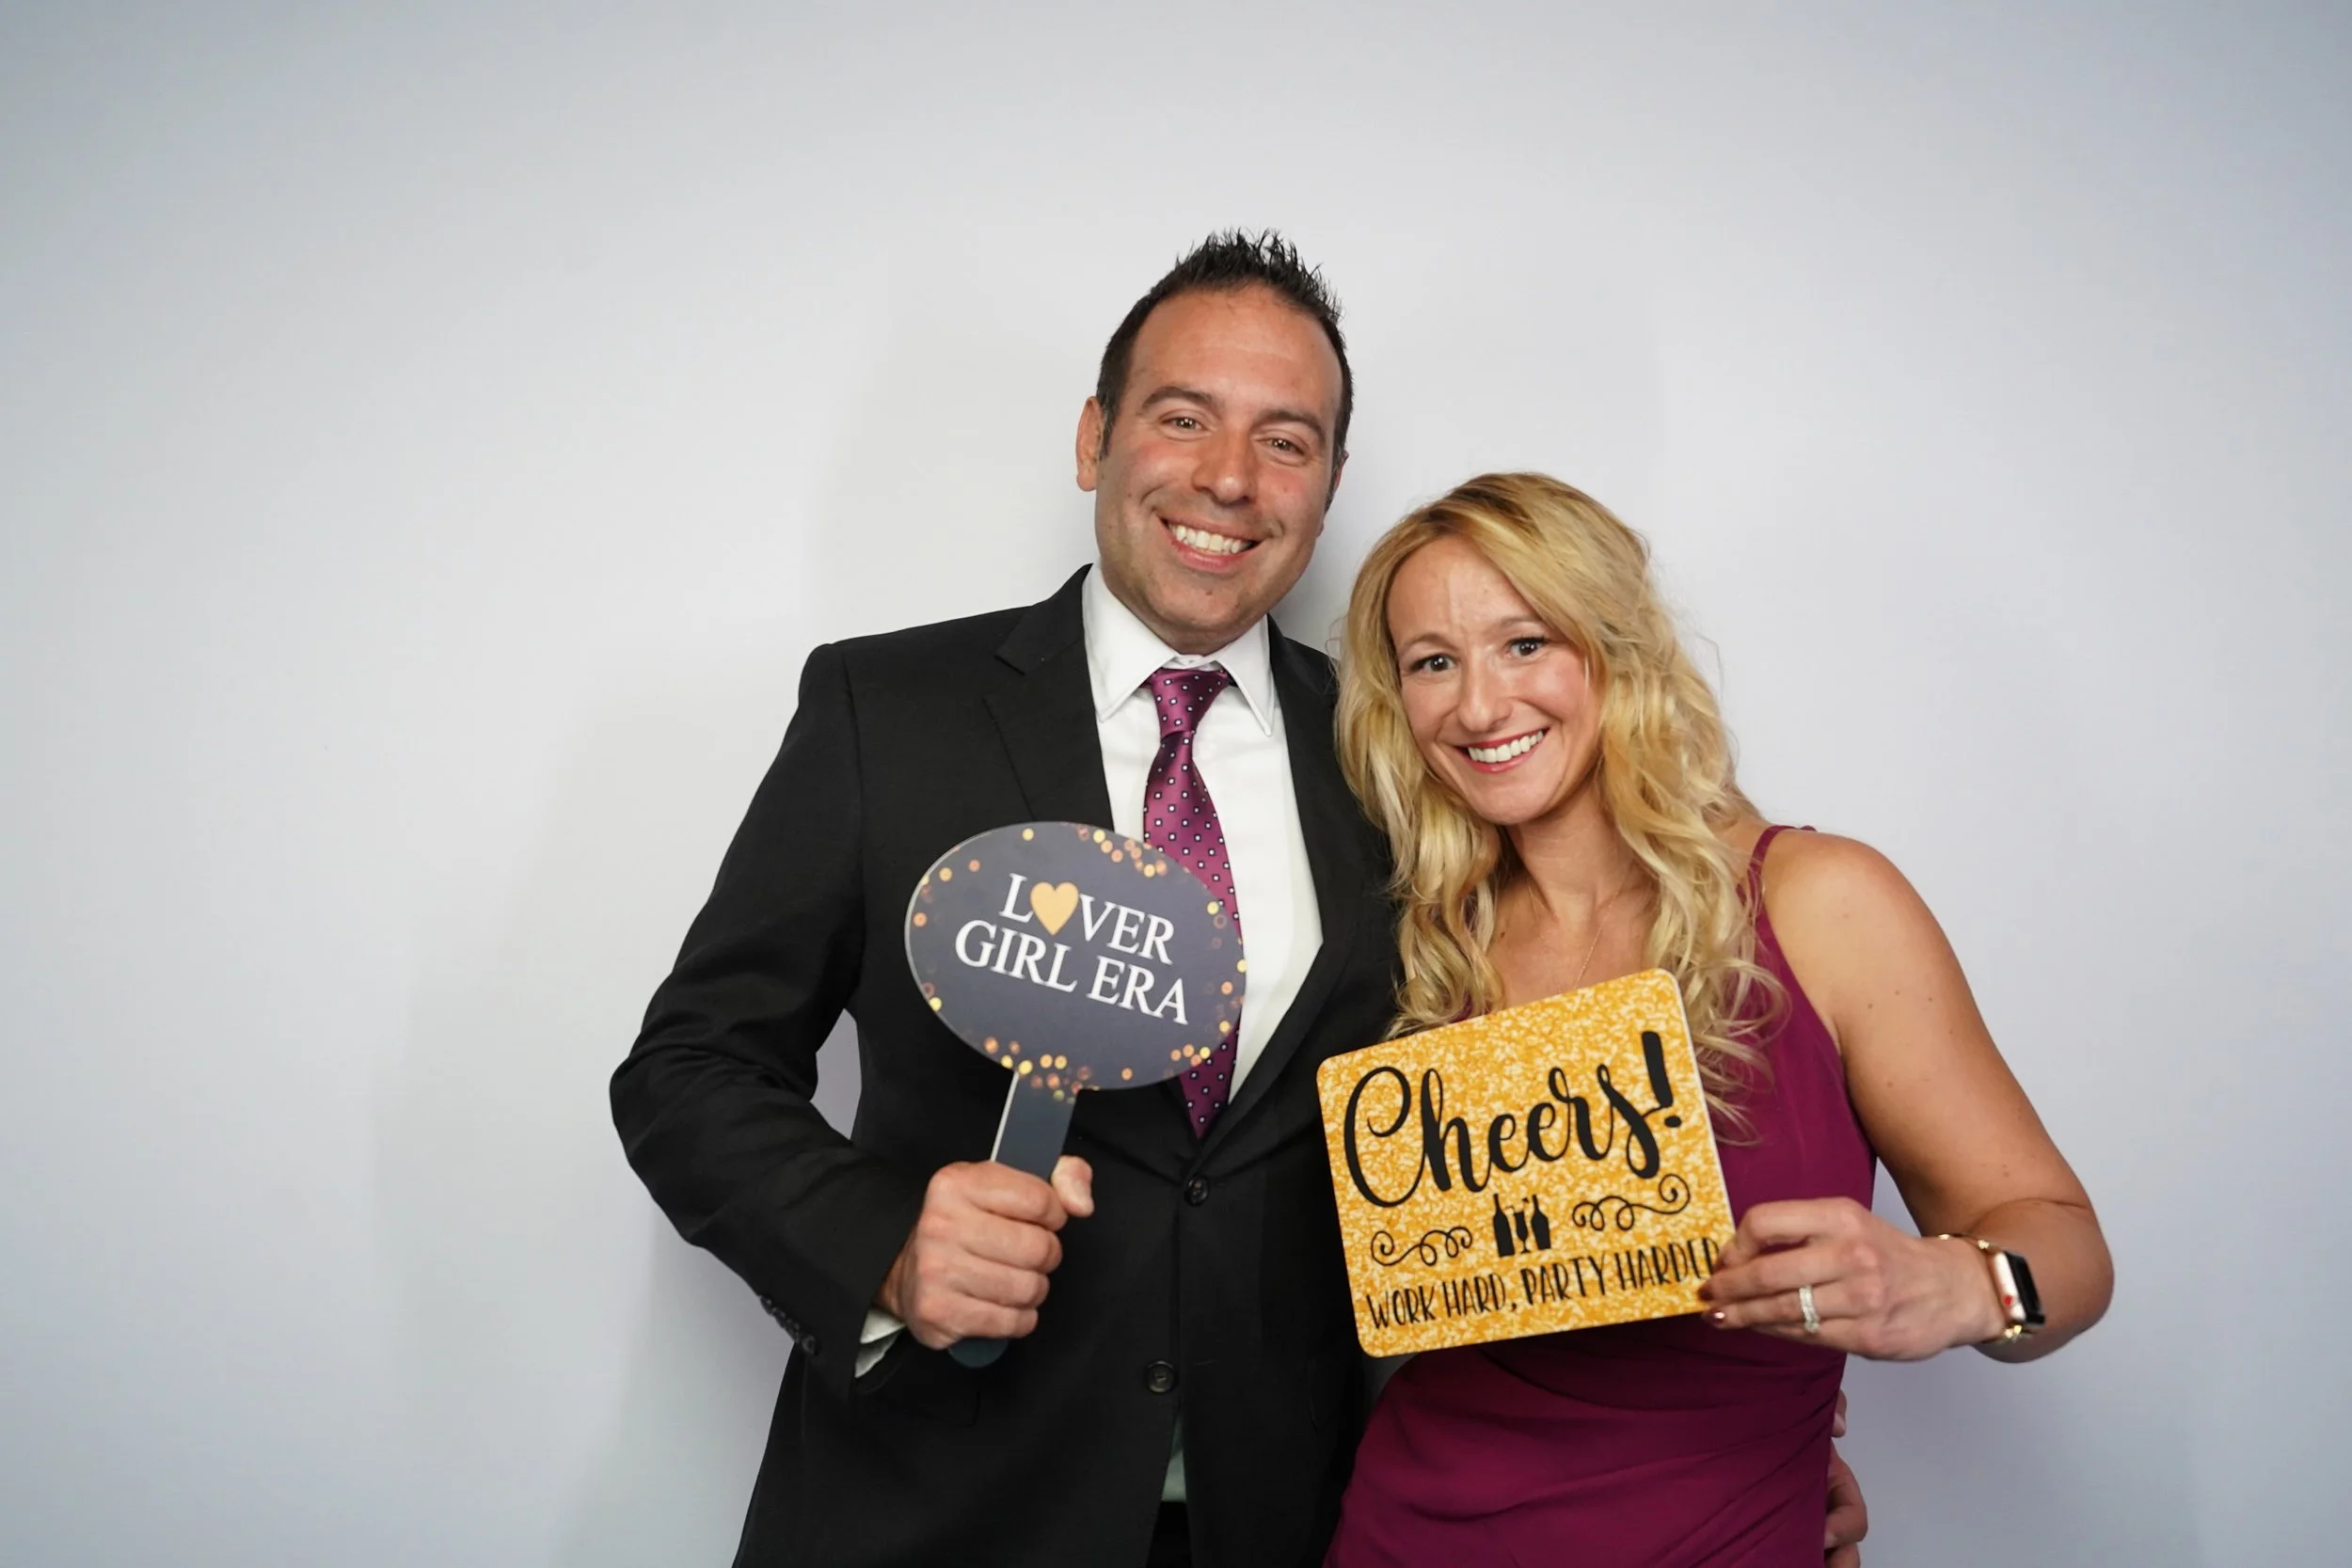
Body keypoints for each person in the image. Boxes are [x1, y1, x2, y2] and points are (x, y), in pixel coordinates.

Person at [612, 235, 1868, 1568]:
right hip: (935, 1504)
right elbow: (691, 1068)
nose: (1228, 476)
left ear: (1327, 487)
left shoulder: (1413, 763)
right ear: (1096, 437)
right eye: (1181, 417)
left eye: (1287, 440)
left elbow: (1509, 1133)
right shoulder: (888, 712)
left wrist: (1750, 1437)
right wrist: (883, 1245)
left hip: (1291, 1515)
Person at [1322, 472, 2115, 1566]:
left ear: (1617, 650)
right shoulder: (1417, 944)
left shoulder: (1819, 900)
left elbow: (2067, 1246)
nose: (1477, 706)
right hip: (1407, 1531)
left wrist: (1955, 1284)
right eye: (1432, 662)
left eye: (1524, 642)